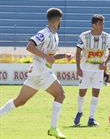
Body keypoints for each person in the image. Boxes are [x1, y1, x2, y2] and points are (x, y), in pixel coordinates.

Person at [0, 8, 73, 139]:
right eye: (61, 20)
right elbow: (29, 47)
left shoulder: (54, 35)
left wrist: (63, 56)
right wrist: (46, 57)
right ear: (58, 20)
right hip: (41, 70)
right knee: (60, 94)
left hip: (38, 71)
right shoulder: (44, 33)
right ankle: (53, 128)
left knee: (20, 101)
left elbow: (50, 56)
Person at [74, 14, 110, 126]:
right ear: (94, 24)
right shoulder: (84, 36)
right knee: (82, 92)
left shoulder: (107, 37)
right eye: (100, 24)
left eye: (103, 24)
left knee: (96, 92)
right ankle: (79, 112)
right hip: (86, 68)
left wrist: (105, 63)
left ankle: (91, 118)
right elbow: (78, 52)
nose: (102, 26)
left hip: (98, 69)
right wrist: (78, 68)